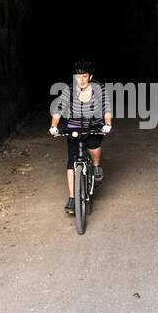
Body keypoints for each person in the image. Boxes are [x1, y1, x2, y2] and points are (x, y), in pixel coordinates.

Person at [50, 58, 112, 215]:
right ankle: (72, 199)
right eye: (78, 77)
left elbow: (106, 107)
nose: (81, 80)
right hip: (75, 127)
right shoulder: (69, 90)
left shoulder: (99, 89)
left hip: (94, 125)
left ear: (90, 77)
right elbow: (58, 109)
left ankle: (96, 166)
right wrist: (54, 126)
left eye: (84, 76)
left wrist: (107, 123)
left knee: (93, 145)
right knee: (71, 161)